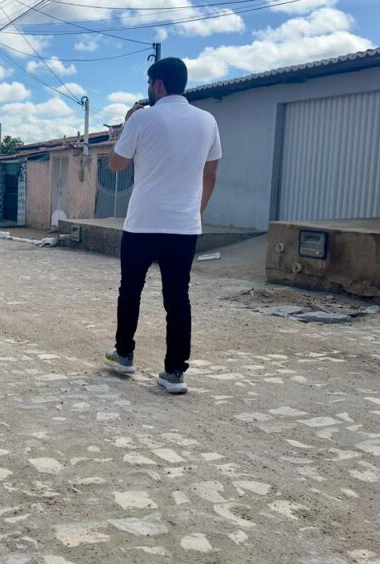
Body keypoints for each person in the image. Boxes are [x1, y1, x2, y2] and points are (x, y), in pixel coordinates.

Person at [103, 57, 221, 395]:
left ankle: (124, 354)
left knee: (130, 290)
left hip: (143, 222)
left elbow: (115, 164)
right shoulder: (207, 121)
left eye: (149, 83)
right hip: (183, 226)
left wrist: (126, 125)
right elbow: (211, 173)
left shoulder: (142, 118)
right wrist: (196, 212)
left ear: (158, 84)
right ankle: (175, 372)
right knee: (178, 298)